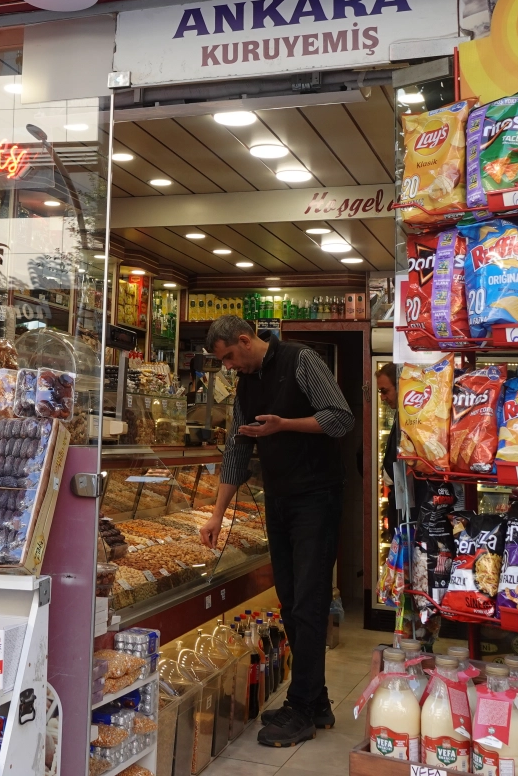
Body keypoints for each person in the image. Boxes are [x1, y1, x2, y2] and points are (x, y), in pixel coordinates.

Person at [198, 316, 354, 747]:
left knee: (309, 601)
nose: (229, 366)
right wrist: (217, 514)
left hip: (317, 496)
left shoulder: (301, 360)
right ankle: (315, 701)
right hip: (280, 500)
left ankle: (301, 708)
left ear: (245, 340)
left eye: (230, 357)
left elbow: (341, 419)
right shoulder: (247, 383)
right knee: (290, 600)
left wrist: (285, 424)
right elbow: (237, 447)